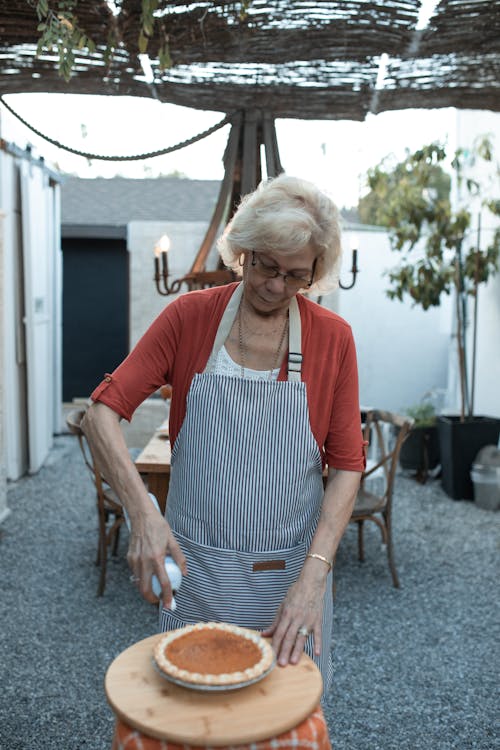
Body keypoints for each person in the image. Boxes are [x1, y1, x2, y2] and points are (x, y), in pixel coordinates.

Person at [82, 174, 365, 695]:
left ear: (315, 274)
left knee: (278, 721)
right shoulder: (189, 318)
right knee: (192, 717)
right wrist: (143, 511)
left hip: (290, 583)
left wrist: (315, 576)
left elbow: (348, 465)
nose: (277, 286)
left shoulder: (333, 339)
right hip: (197, 578)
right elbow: (100, 414)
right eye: (266, 265)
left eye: (296, 275)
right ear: (243, 250)